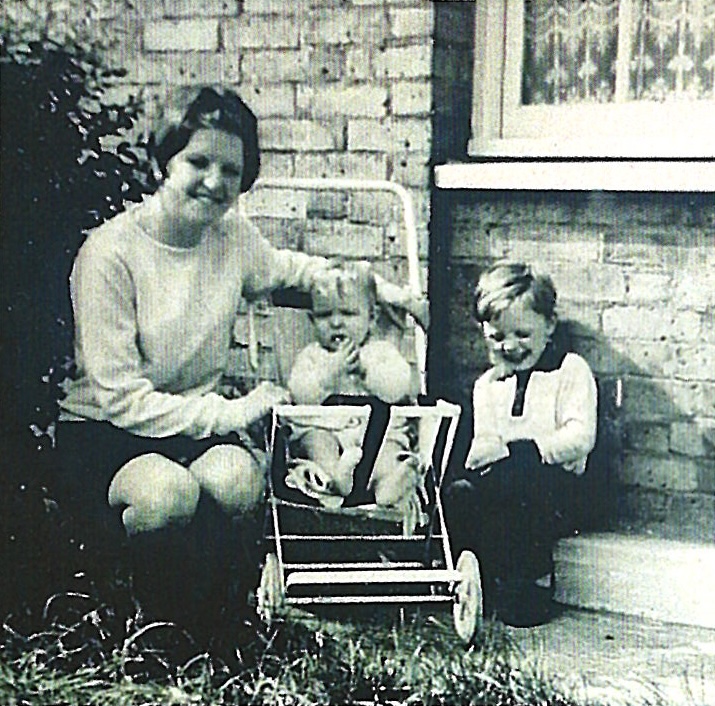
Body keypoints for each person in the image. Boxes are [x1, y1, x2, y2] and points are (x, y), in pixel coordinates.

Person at [55, 86, 424, 644]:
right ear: (164, 161)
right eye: (198, 162)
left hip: (189, 427)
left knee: (237, 480)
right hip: (107, 434)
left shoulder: (230, 238)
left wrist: (388, 294)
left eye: (232, 169)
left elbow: (297, 274)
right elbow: (119, 399)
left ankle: (204, 620)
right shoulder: (110, 254)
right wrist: (233, 412)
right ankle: (128, 615)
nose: (214, 181)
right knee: (168, 495)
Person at [443, 262, 597, 627]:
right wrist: (482, 455)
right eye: (497, 337)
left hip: (559, 483)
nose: (510, 346)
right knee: (461, 492)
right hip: (505, 480)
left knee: (516, 484)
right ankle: (480, 578)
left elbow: (580, 436)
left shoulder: (569, 370)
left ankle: (530, 585)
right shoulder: (488, 384)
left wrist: (522, 451)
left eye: (522, 334)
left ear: (549, 326)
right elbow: (485, 439)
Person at [285, 262, 420, 509]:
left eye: (348, 314)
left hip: (377, 434)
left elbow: (398, 388)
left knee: (389, 452)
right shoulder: (312, 356)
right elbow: (299, 393)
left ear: (372, 317)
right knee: (315, 441)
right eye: (325, 315)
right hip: (327, 431)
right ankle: (337, 477)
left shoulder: (381, 352)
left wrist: (367, 372)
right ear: (312, 320)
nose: (336, 323)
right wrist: (326, 376)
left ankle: (388, 485)